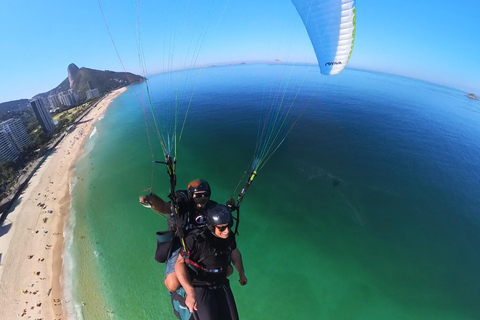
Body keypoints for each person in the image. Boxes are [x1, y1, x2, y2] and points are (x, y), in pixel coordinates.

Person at [139, 179, 230, 292]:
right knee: (173, 285)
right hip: (181, 242)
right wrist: (150, 199)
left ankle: (194, 278)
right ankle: (181, 278)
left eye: (205, 195)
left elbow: (221, 222)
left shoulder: (212, 208)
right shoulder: (182, 206)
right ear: (191, 195)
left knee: (228, 270)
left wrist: (228, 209)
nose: (202, 198)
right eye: (198, 195)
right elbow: (164, 207)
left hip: (201, 244)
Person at [174, 204, 247, 320]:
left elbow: (234, 253)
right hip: (201, 284)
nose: (226, 231)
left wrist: (241, 273)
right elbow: (179, 264)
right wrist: (190, 293)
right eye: (221, 228)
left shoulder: (229, 237)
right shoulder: (196, 241)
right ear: (212, 226)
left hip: (220, 281)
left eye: (229, 225)